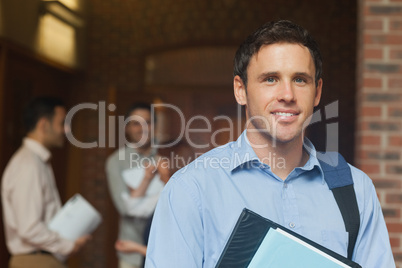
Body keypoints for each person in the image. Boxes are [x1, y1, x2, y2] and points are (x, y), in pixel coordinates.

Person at [145, 20, 395, 268]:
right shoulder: (192, 190)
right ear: (240, 90)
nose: (287, 95)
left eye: (300, 80)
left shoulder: (356, 190)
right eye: (270, 79)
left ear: (317, 92)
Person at [1, 96, 90, 268]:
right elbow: (29, 228)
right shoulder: (28, 164)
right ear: (43, 125)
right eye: (62, 123)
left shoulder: (37, 162)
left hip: (42, 258)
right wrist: (68, 245)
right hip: (35, 260)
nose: (66, 129)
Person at [106, 102, 169, 268]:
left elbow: (177, 204)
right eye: (136, 123)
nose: (142, 128)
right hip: (131, 254)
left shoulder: (169, 155)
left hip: (165, 249)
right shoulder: (116, 162)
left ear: (154, 126)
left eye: (147, 122)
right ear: (127, 127)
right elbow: (126, 208)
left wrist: (137, 194)